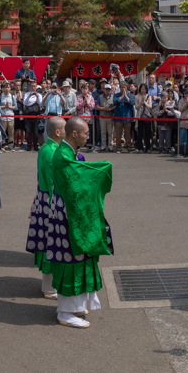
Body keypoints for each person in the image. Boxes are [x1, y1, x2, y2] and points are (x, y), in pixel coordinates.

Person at [50, 116, 113, 328]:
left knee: (80, 257)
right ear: (74, 133)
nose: (88, 136)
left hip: (71, 213)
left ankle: (74, 305)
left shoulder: (69, 152)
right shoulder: (63, 156)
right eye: (86, 133)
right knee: (71, 260)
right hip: (67, 215)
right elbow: (79, 181)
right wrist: (102, 169)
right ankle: (65, 312)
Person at [27, 116, 66, 300]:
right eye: (65, 129)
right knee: (52, 243)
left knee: (46, 243)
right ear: (58, 132)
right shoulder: (52, 152)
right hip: (50, 203)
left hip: (42, 200)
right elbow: (53, 184)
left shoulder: (45, 148)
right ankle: (49, 288)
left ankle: (48, 285)